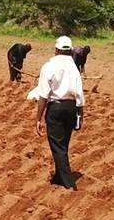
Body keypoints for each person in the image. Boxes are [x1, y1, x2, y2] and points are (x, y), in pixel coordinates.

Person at [34, 36, 84, 190]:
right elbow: (79, 93)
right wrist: (80, 115)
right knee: (63, 144)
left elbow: (43, 95)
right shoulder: (74, 67)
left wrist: (38, 119)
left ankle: (69, 184)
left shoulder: (48, 66)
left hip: (55, 108)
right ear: (69, 50)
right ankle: (58, 177)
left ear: (56, 50)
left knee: (58, 146)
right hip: (71, 108)